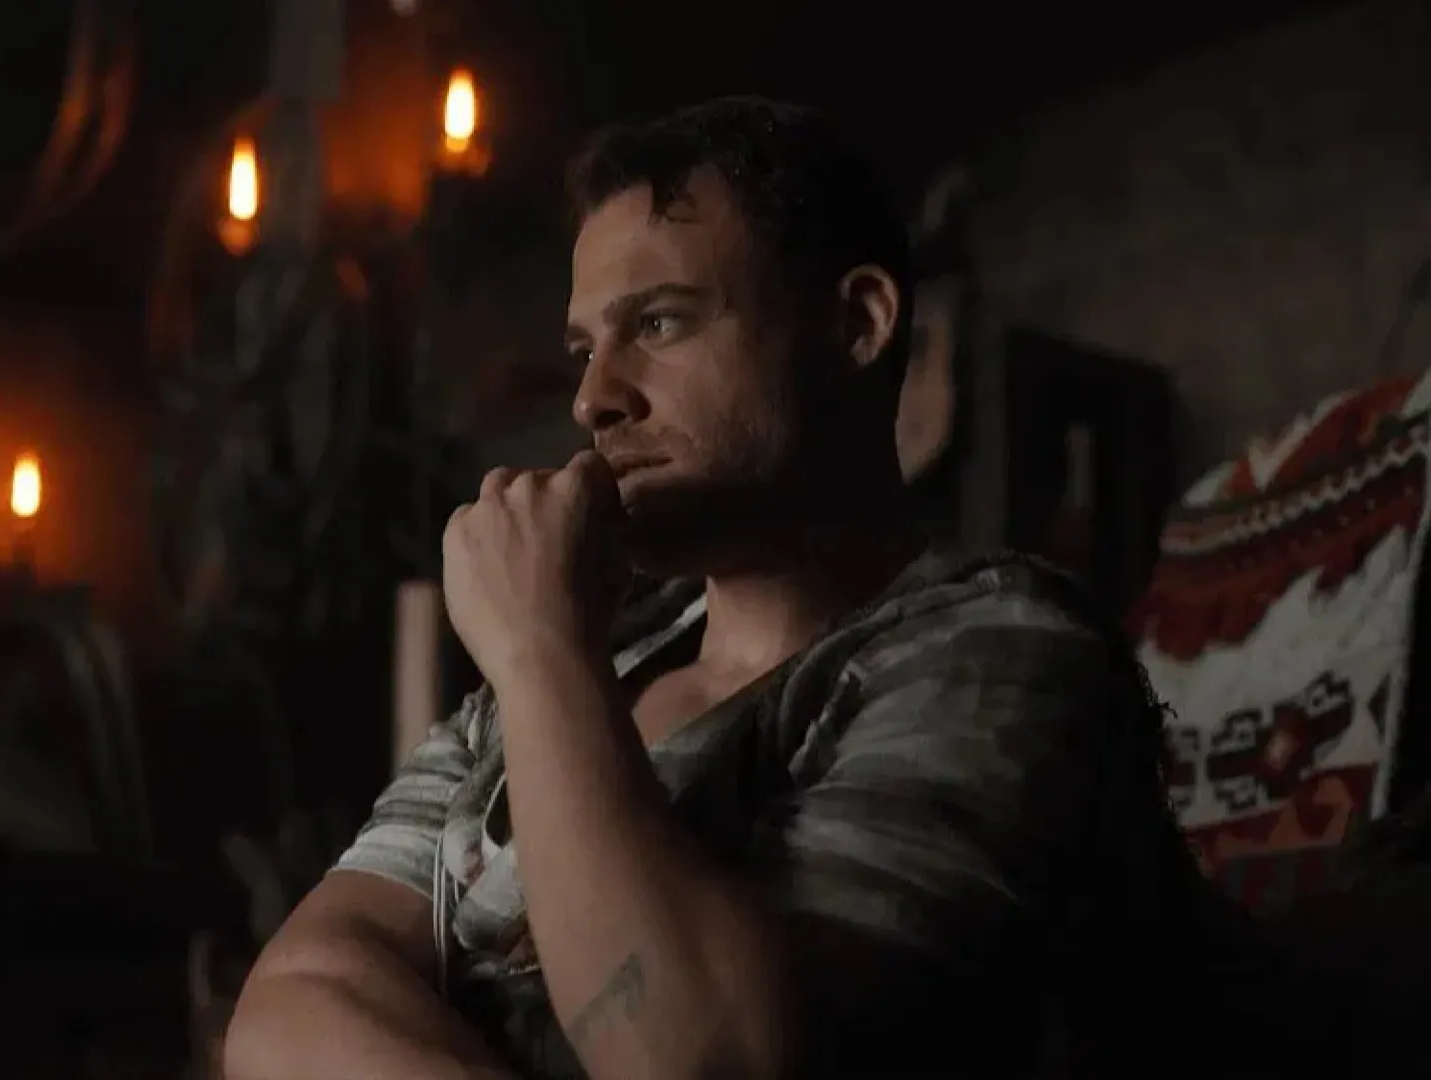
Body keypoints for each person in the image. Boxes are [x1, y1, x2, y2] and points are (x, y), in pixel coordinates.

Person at [224, 97, 1255, 1080]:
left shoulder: (1006, 654)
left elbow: (707, 1061)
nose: (592, 399)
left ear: (857, 324)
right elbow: (291, 1005)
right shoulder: (558, 677)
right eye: (586, 348)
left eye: (659, 325)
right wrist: (541, 661)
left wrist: (540, 652)